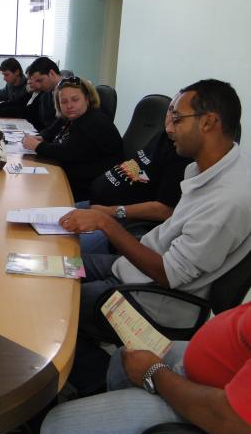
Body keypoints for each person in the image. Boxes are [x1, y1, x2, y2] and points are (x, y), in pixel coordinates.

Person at [59, 79, 251, 340]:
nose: (169, 128)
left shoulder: (228, 200)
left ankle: (90, 370)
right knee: (54, 270)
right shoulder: (212, 166)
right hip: (132, 268)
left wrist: (106, 223)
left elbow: (168, 274)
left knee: (53, 303)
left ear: (208, 122)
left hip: (152, 299)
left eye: (177, 119)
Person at [37, 301, 251, 434]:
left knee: (60, 433)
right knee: (122, 359)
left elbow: (231, 421)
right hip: (218, 377)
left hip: (224, 426)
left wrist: (154, 372)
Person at [78, 126, 191, 254]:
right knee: (53, 221)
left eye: (178, 118)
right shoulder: (163, 135)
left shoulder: (183, 155)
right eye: (170, 111)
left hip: (118, 220)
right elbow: (140, 167)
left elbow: (165, 210)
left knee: (60, 247)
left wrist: (112, 212)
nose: (170, 123)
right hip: (98, 206)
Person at [22, 76, 123, 202]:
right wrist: (40, 137)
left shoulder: (94, 122)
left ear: (87, 99)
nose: (69, 106)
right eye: (63, 102)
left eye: (75, 100)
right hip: (69, 179)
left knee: (30, 195)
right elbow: (50, 131)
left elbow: (66, 153)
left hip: (90, 192)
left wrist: (37, 146)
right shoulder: (72, 116)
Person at [0, 56, 63, 131]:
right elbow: (19, 102)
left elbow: (28, 111)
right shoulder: (47, 91)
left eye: (39, 80)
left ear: (52, 74)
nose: (29, 82)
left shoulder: (57, 92)